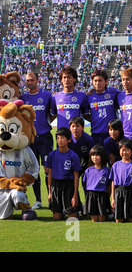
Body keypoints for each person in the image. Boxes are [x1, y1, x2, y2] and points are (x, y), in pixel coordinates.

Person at [20, 71, 53, 210]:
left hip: (45, 138)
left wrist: (45, 124)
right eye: (27, 80)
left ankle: (51, 198)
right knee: (33, 170)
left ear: (37, 81)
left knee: (47, 169)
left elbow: (53, 113)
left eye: (32, 80)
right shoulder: (22, 98)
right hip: (30, 140)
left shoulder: (47, 96)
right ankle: (38, 200)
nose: (29, 83)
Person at [45, 127, 82, 220]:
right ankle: (61, 211)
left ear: (69, 140)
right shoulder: (52, 155)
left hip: (68, 186)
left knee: (72, 217)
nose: (59, 140)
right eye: (58, 138)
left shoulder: (73, 155)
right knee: (56, 218)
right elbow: (49, 174)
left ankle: (76, 211)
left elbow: (76, 176)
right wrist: (50, 192)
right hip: (56, 186)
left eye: (62, 138)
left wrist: (75, 195)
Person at [109, 138, 132, 223]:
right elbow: (113, 182)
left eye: (127, 150)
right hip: (118, 192)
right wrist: (113, 199)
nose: (125, 152)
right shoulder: (115, 165)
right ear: (119, 151)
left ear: (131, 151)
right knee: (119, 220)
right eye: (122, 150)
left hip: (131, 192)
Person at [87, 70, 120, 145]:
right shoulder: (89, 96)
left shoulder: (113, 92)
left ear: (106, 82)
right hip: (96, 134)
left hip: (112, 134)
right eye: (95, 80)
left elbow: (127, 95)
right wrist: (95, 120)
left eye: (100, 80)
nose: (97, 83)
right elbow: (85, 114)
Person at [83, 145, 111, 222]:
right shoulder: (88, 170)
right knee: (94, 220)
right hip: (91, 195)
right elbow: (85, 184)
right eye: (93, 155)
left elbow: (109, 186)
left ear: (102, 156)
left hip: (102, 195)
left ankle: (109, 216)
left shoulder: (107, 170)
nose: (95, 157)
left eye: (97, 155)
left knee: (102, 219)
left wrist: (107, 197)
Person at [68, 116, 95, 180]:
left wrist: (90, 167)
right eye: (73, 126)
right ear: (70, 128)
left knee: (86, 181)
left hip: (85, 160)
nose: (75, 129)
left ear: (82, 127)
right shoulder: (67, 139)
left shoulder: (88, 139)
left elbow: (92, 154)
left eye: (77, 126)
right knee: (71, 182)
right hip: (72, 161)